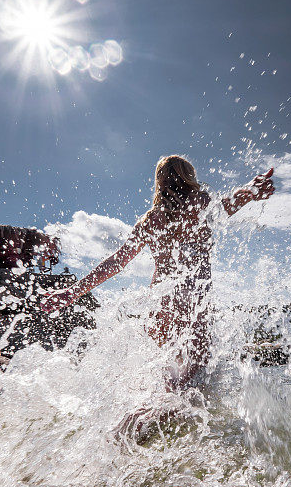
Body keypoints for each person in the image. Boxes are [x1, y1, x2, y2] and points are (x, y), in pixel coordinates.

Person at [41, 156, 274, 392]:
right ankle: (145, 419)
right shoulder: (201, 203)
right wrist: (252, 189)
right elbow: (229, 204)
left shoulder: (150, 220)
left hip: (160, 307)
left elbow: (116, 262)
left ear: (159, 182)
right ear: (190, 177)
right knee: (193, 388)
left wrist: (71, 292)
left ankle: (135, 421)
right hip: (193, 304)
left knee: (168, 386)